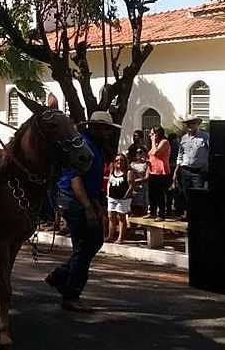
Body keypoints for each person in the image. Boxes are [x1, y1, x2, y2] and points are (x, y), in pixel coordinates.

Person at [46, 110, 119, 312]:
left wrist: (95, 204)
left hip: (86, 198)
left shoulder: (97, 146)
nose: (106, 132)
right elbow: (75, 178)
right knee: (85, 245)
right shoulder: (82, 144)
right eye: (103, 128)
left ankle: (60, 276)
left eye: (107, 128)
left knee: (92, 242)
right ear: (94, 127)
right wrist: (87, 207)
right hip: (74, 200)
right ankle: (70, 294)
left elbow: (92, 181)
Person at [173, 115, 210, 221]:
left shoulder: (205, 137)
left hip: (198, 171)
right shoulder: (184, 138)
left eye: (193, 123)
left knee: (198, 194)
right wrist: (176, 171)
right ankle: (188, 214)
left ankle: (199, 216)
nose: (190, 125)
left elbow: (211, 152)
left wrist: (207, 166)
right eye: (188, 123)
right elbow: (180, 155)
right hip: (185, 170)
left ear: (197, 124)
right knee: (186, 194)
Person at [145, 126, 171, 221]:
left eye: (152, 134)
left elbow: (156, 153)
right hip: (153, 171)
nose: (150, 135)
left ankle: (161, 214)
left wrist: (152, 141)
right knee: (152, 193)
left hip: (161, 171)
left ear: (157, 134)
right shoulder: (154, 143)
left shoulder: (164, 142)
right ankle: (152, 212)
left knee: (160, 193)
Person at [105, 153, 131, 243]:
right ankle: (110, 236)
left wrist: (125, 196)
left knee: (121, 218)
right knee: (111, 216)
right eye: (117, 160)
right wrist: (108, 193)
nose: (119, 162)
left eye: (121, 160)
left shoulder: (128, 172)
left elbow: (131, 186)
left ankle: (120, 238)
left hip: (123, 199)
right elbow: (109, 182)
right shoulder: (112, 170)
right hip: (112, 198)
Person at [129, 148, 149, 216]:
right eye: (137, 152)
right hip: (133, 188)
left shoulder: (146, 164)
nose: (138, 154)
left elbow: (147, 177)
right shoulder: (131, 164)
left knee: (142, 208)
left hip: (143, 188)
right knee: (133, 208)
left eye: (140, 152)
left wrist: (136, 180)